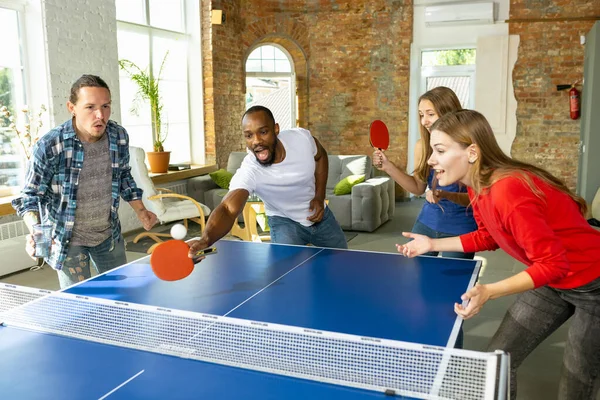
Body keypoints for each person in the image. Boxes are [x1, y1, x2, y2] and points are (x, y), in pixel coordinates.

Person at [396, 109, 600, 399]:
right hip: (554, 281)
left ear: (472, 152)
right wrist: (432, 244)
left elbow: (553, 263)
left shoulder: (508, 191)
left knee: (576, 382)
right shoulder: (480, 186)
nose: (430, 160)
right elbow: (488, 235)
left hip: (593, 283)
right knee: (497, 361)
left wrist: (489, 290)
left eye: (439, 150)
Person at [12, 74, 157, 289]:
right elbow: (30, 197)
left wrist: (140, 210)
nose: (100, 115)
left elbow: (123, 175)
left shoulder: (118, 136)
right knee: (81, 305)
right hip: (69, 240)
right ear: (72, 107)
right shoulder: (50, 145)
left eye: (106, 106)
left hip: (109, 235)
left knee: (120, 297)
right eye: (90, 107)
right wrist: (36, 231)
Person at [188, 105, 347, 256]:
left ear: (276, 129)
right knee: (286, 276)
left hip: (320, 216)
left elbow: (321, 156)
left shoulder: (301, 139)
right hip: (283, 222)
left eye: (263, 132)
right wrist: (205, 240)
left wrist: (319, 196)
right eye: (249, 135)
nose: (256, 141)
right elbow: (228, 209)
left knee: (344, 262)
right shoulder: (250, 170)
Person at [373, 86, 477, 259]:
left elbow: (478, 198)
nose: (424, 121)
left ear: (448, 113)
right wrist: (388, 166)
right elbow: (417, 188)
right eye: (421, 115)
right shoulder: (422, 146)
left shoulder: (469, 149)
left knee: (452, 286)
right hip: (426, 223)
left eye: (430, 114)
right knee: (415, 279)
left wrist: (444, 194)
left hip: (460, 228)